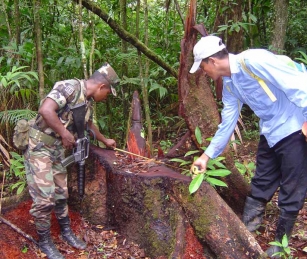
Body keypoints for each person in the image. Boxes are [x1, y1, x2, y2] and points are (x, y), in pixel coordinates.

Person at [189, 35, 307, 258]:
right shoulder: (230, 86)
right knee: (261, 182)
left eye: (203, 67)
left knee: (292, 186)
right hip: (270, 131)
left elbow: (297, 83)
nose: (204, 73)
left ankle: (280, 245)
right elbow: (227, 125)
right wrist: (206, 156)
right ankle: (246, 233)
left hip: (294, 126)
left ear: (212, 61)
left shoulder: (253, 60)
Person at [24, 63, 120, 259]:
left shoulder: (87, 101)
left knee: (61, 192)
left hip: (57, 149)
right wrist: (64, 133)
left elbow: (87, 123)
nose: (106, 97)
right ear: (101, 87)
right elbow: (46, 110)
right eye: (108, 93)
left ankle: (66, 231)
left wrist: (104, 140)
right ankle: (44, 241)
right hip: (40, 147)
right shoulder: (69, 88)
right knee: (44, 197)